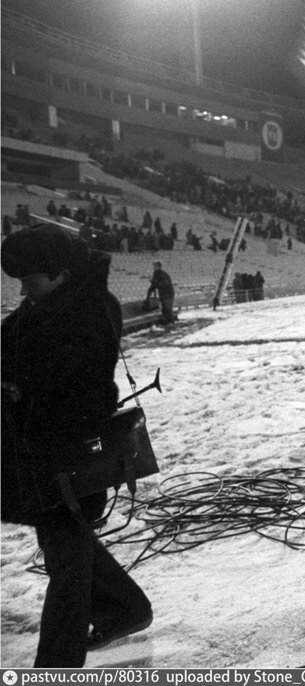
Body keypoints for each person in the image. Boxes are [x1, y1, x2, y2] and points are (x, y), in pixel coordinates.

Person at [1, 224, 153, 667]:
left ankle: (55, 668)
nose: (25, 292)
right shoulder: (44, 305)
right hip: (36, 454)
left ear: (61, 274)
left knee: (66, 559)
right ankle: (125, 607)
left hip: (70, 455)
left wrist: (20, 388)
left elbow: (84, 389)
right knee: (64, 540)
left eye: (32, 282)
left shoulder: (90, 310)